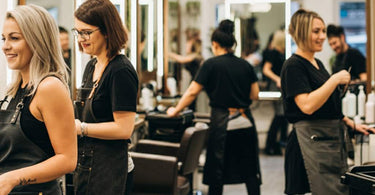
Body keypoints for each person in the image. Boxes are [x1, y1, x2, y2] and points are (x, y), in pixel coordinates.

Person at [281, 9, 375, 195]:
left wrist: (348, 122)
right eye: (316, 31)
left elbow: (325, 105)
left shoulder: (318, 64)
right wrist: (334, 80)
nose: (322, 36)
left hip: (326, 142)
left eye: (323, 31)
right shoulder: (293, 66)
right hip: (306, 145)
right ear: (301, 32)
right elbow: (307, 106)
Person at [167, 19, 261, 195]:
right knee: (250, 170)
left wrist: (175, 110)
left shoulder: (210, 65)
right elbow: (255, 95)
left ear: (215, 44)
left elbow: (192, 92)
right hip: (245, 122)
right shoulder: (245, 65)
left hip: (222, 122)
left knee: (217, 171)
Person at [0, 4, 77, 194]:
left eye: (14, 38)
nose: (5, 46)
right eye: (3, 38)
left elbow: (67, 159)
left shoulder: (49, 88)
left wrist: (13, 178)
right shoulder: (16, 89)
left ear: (37, 40)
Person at [72, 0, 139, 194]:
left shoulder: (121, 70)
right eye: (77, 31)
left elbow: (124, 129)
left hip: (111, 169)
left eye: (86, 32)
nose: (81, 38)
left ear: (107, 30)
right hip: (88, 162)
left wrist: (81, 128)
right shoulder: (91, 66)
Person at [263, 30, 288, 155]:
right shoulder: (274, 53)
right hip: (275, 87)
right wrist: (277, 79)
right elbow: (266, 70)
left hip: (280, 87)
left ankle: (275, 145)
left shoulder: (282, 53)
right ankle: (270, 145)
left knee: (281, 117)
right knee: (279, 116)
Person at [169, 29, 203, 111]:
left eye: (188, 44)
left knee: (192, 104)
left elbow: (181, 59)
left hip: (198, 83)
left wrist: (168, 54)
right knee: (191, 105)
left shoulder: (195, 56)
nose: (186, 46)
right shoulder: (193, 56)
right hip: (194, 81)